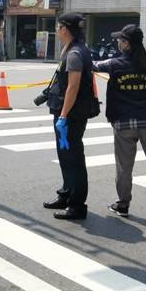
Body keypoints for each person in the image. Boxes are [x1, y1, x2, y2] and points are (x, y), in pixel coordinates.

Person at [94, 24, 146, 220]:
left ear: (126, 44)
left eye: (120, 40)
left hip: (123, 122)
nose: (118, 42)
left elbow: (92, 66)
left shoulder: (114, 64)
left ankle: (123, 204)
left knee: (124, 165)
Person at [43, 12, 95, 220]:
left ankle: (77, 205)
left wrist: (63, 115)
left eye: (57, 27)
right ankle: (66, 194)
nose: (56, 31)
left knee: (73, 158)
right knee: (65, 156)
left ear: (65, 29)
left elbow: (73, 88)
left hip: (71, 114)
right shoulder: (72, 49)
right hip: (66, 112)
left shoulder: (75, 53)